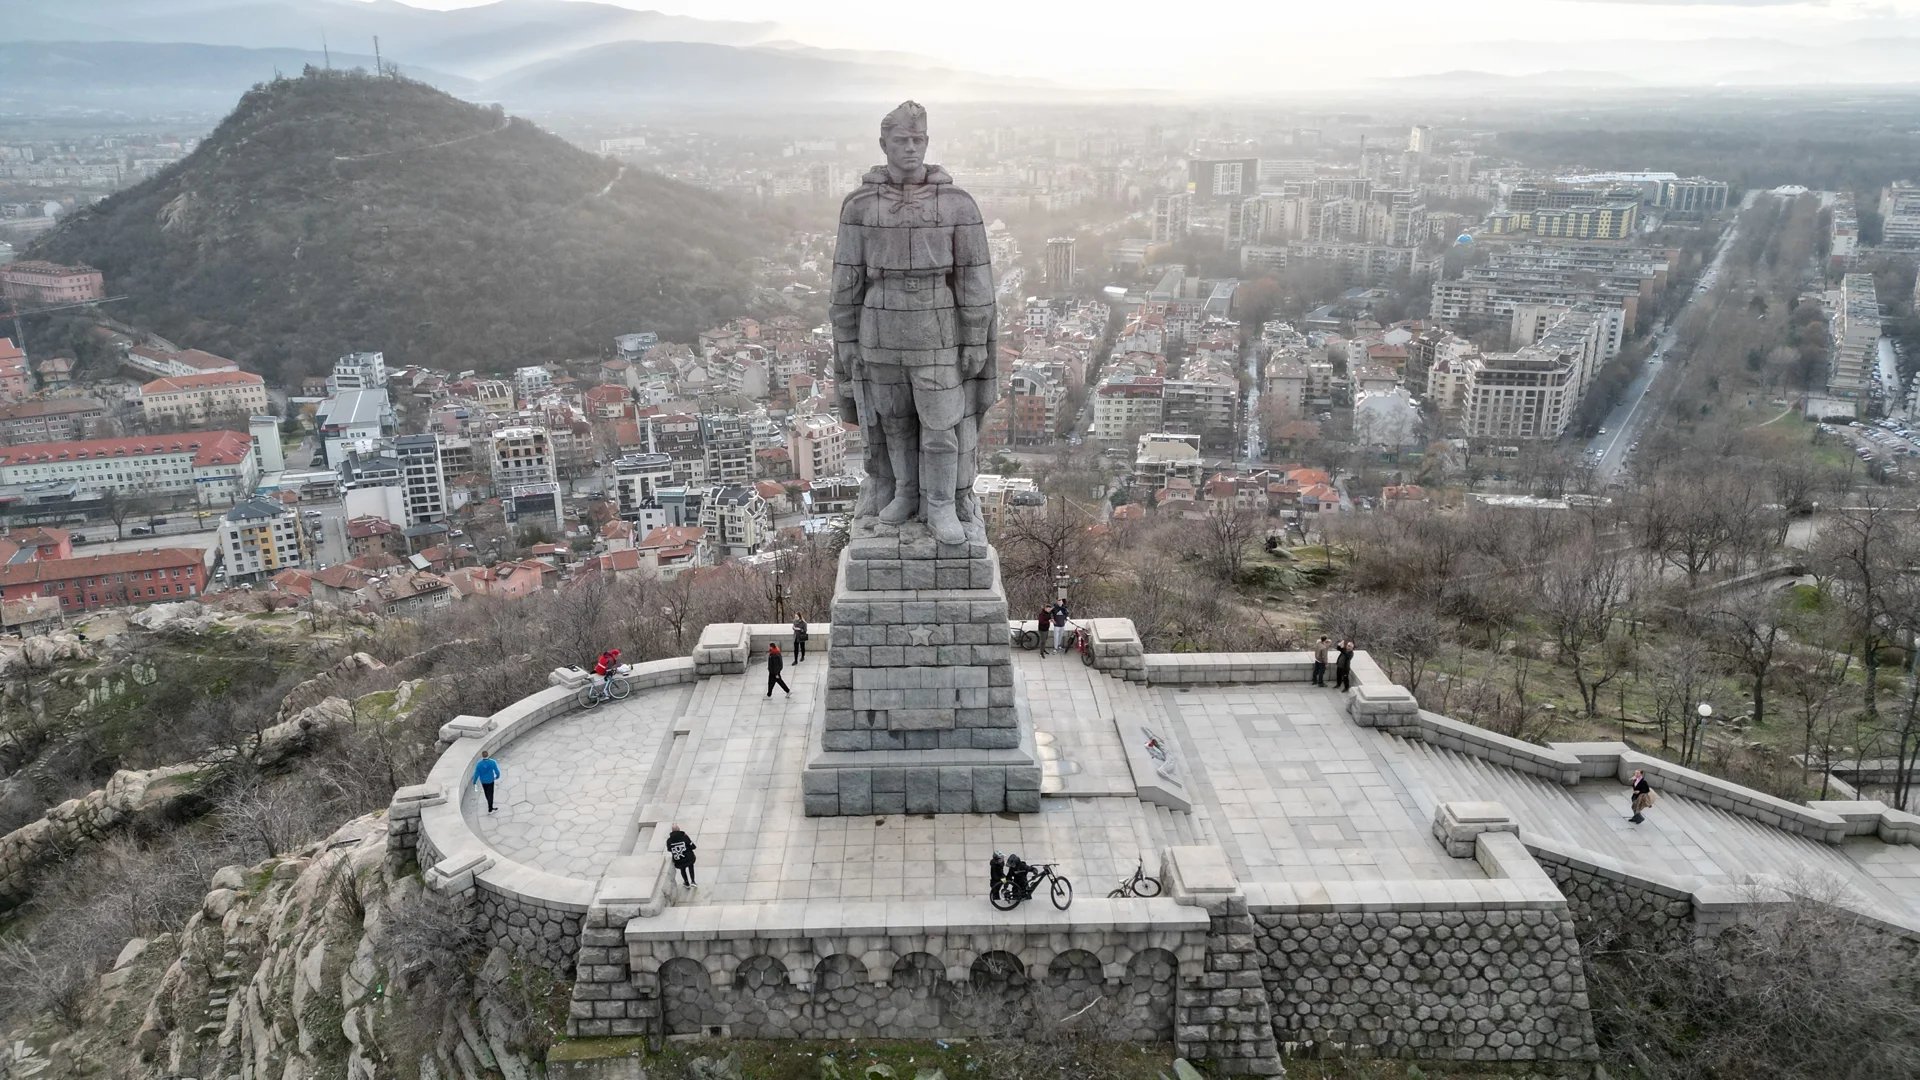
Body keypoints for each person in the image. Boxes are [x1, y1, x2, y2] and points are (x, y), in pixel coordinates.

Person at [665, 823, 697, 887]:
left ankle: (686, 882)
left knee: (682, 869)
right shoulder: (684, 837)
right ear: (679, 829)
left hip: (678, 859)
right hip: (688, 857)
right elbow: (692, 845)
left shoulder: (669, 840)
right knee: (691, 867)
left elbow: (669, 849)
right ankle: (693, 881)